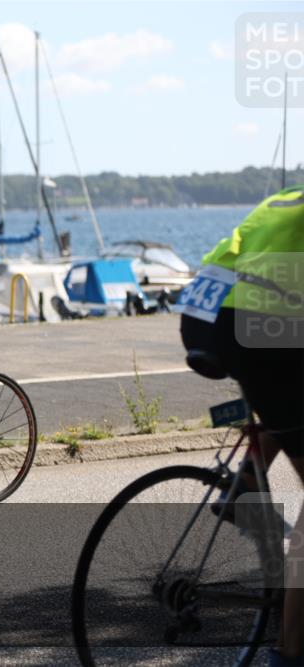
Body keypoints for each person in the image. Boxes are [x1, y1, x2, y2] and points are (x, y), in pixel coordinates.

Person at [178, 185, 304, 666]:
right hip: (261, 322)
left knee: (286, 404)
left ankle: (245, 484)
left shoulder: (287, 198)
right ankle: (291, 653)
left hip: (203, 315)